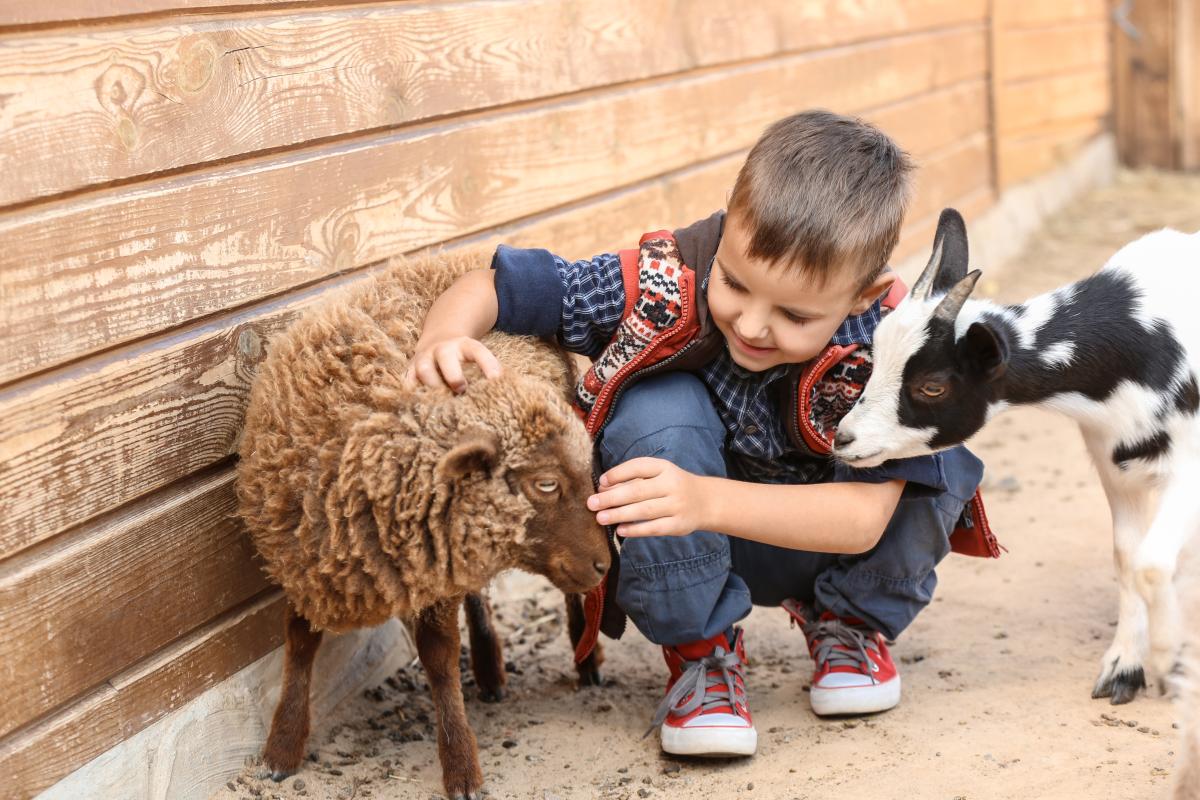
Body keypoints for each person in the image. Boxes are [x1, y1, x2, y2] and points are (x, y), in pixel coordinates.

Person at [405, 110, 989, 758]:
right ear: (729, 227)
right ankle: (701, 653)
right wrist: (444, 335)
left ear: (861, 297)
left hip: (825, 539)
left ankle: (849, 625)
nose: (754, 324)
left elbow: (862, 521)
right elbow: (496, 286)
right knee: (654, 402)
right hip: (692, 544)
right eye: (736, 283)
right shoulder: (667, 281)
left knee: (937, 453)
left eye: (794, 313)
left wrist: (707, 500)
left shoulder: (884, 348)